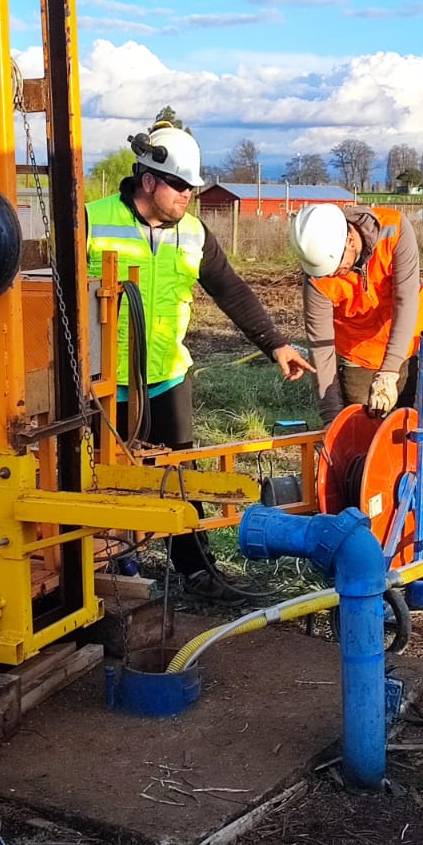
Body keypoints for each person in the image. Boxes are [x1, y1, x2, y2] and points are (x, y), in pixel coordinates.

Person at [87, 122, 313, 597]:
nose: (188, 195)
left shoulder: (194, 233)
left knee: (180, 478)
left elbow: (230, 289)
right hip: (101, 382)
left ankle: (195, 569)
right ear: (148, 180)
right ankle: (101, 568)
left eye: (192, 186)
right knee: (96, 477)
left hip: (167, 378)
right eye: (179, 186)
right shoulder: (91, 220)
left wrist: (275, 344)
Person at [288, 200, 423, 428]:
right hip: (359, 356)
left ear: (349, 240)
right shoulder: (317, 278)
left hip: (411, 344)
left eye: (335, 267)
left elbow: (405, 301)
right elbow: (321, 347)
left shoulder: (394, 229)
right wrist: (331, 419)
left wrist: (389, 371)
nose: (331, 275)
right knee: (364, 441)